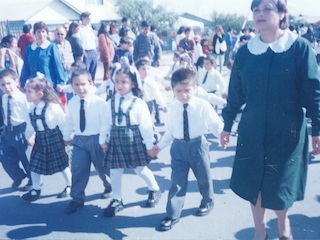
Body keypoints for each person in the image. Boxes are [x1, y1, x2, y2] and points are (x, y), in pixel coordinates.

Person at [220, 0, 320, 239]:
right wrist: (226, 125)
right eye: (255, 10)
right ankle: (259, 229)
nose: (259, 14)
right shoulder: (245, 52)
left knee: (279, 184)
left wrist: (317, 129)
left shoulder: (299, 48)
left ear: (282, 13)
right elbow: (235, 93)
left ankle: (283, 225)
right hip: (252, 131)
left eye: (267, 8)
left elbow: (314, 93)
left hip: (287, 132)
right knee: (255, 180)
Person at [151, 67, 223, 231]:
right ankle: (173, 214)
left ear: (195, 88)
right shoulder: (173, 108)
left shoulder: (202, 105)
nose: (183, 95)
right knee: (177, 182)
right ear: (173, 90)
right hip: (178, 148)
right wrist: (159, 147)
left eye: (187, 90)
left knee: (204, 177)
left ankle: (207, 201)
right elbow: (169, 132)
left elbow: (215, 124)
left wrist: (222, 137)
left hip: (198, 146)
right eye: (179, 91)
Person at [103, 66, 161, 217]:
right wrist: (103, 140)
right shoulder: (110, 102)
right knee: (115, 171)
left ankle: (154, 189)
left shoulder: (138, 103)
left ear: (133, 84)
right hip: (116, 139)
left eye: (124, 82)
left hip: (133, 140)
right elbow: (106, 123)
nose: (119, 85)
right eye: (116, 82)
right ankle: (117, 199)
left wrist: (149, 145)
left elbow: (146, 127)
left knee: (139, 169)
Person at [62, 68, 112, 214]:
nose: (80, 88)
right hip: (79, 140)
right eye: (76, 85)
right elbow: (69, 121)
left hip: (97, 139)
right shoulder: (72, 103)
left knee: (103, 168)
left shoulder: (99, 103)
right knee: (78, 169)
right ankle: (77, 199)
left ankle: (110, 188)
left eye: (83, 84)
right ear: (71, 86)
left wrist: (103, 140)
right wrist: (66, 137)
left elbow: (105, 123)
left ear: (90, 83)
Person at [22, 77, 72, 202]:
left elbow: (63, 123)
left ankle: (70, 185)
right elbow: (30, 126)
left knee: (62, 164)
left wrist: (66, 139)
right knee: (34, 165)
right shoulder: (31, 109)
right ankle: (36, 189)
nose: (26, 93)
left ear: (39, 94)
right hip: (40, 140)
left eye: (29, 91)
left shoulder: (52, 108)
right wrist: (30, 136)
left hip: (53, 139)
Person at [20, 21, 67, 106]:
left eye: (43, 31)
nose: (41, 34)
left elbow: (58, 66)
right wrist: (22, 83)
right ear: (34, 33)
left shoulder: (51, 47)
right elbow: (26, 68)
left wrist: (60, 82)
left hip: (49, 85)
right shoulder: (29, 49)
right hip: (34, 86)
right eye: (38, 31)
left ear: (47, 33)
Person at [0, 69, 32, 191]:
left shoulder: (23, 98)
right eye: (3, 84)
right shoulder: (4, 98)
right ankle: (18, 175)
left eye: (9, 83)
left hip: (21, 129)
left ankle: (33, 181)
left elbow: (29, 117)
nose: (6, 87)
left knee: (25, 157)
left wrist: (31, 134)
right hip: (7, 130)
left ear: (17, 82)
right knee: (3, 154)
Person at [78, 11, 98, 81]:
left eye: (90, 19)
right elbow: (80, 43)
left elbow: (93, 40)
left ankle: (92, 85)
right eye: (88, 19)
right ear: (83, 18)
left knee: (93, 70)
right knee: (86, 71)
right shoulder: (79, 29)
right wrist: (82, 54)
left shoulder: (90, 28)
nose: (89, 20)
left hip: (93, 50)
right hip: (85, 51)